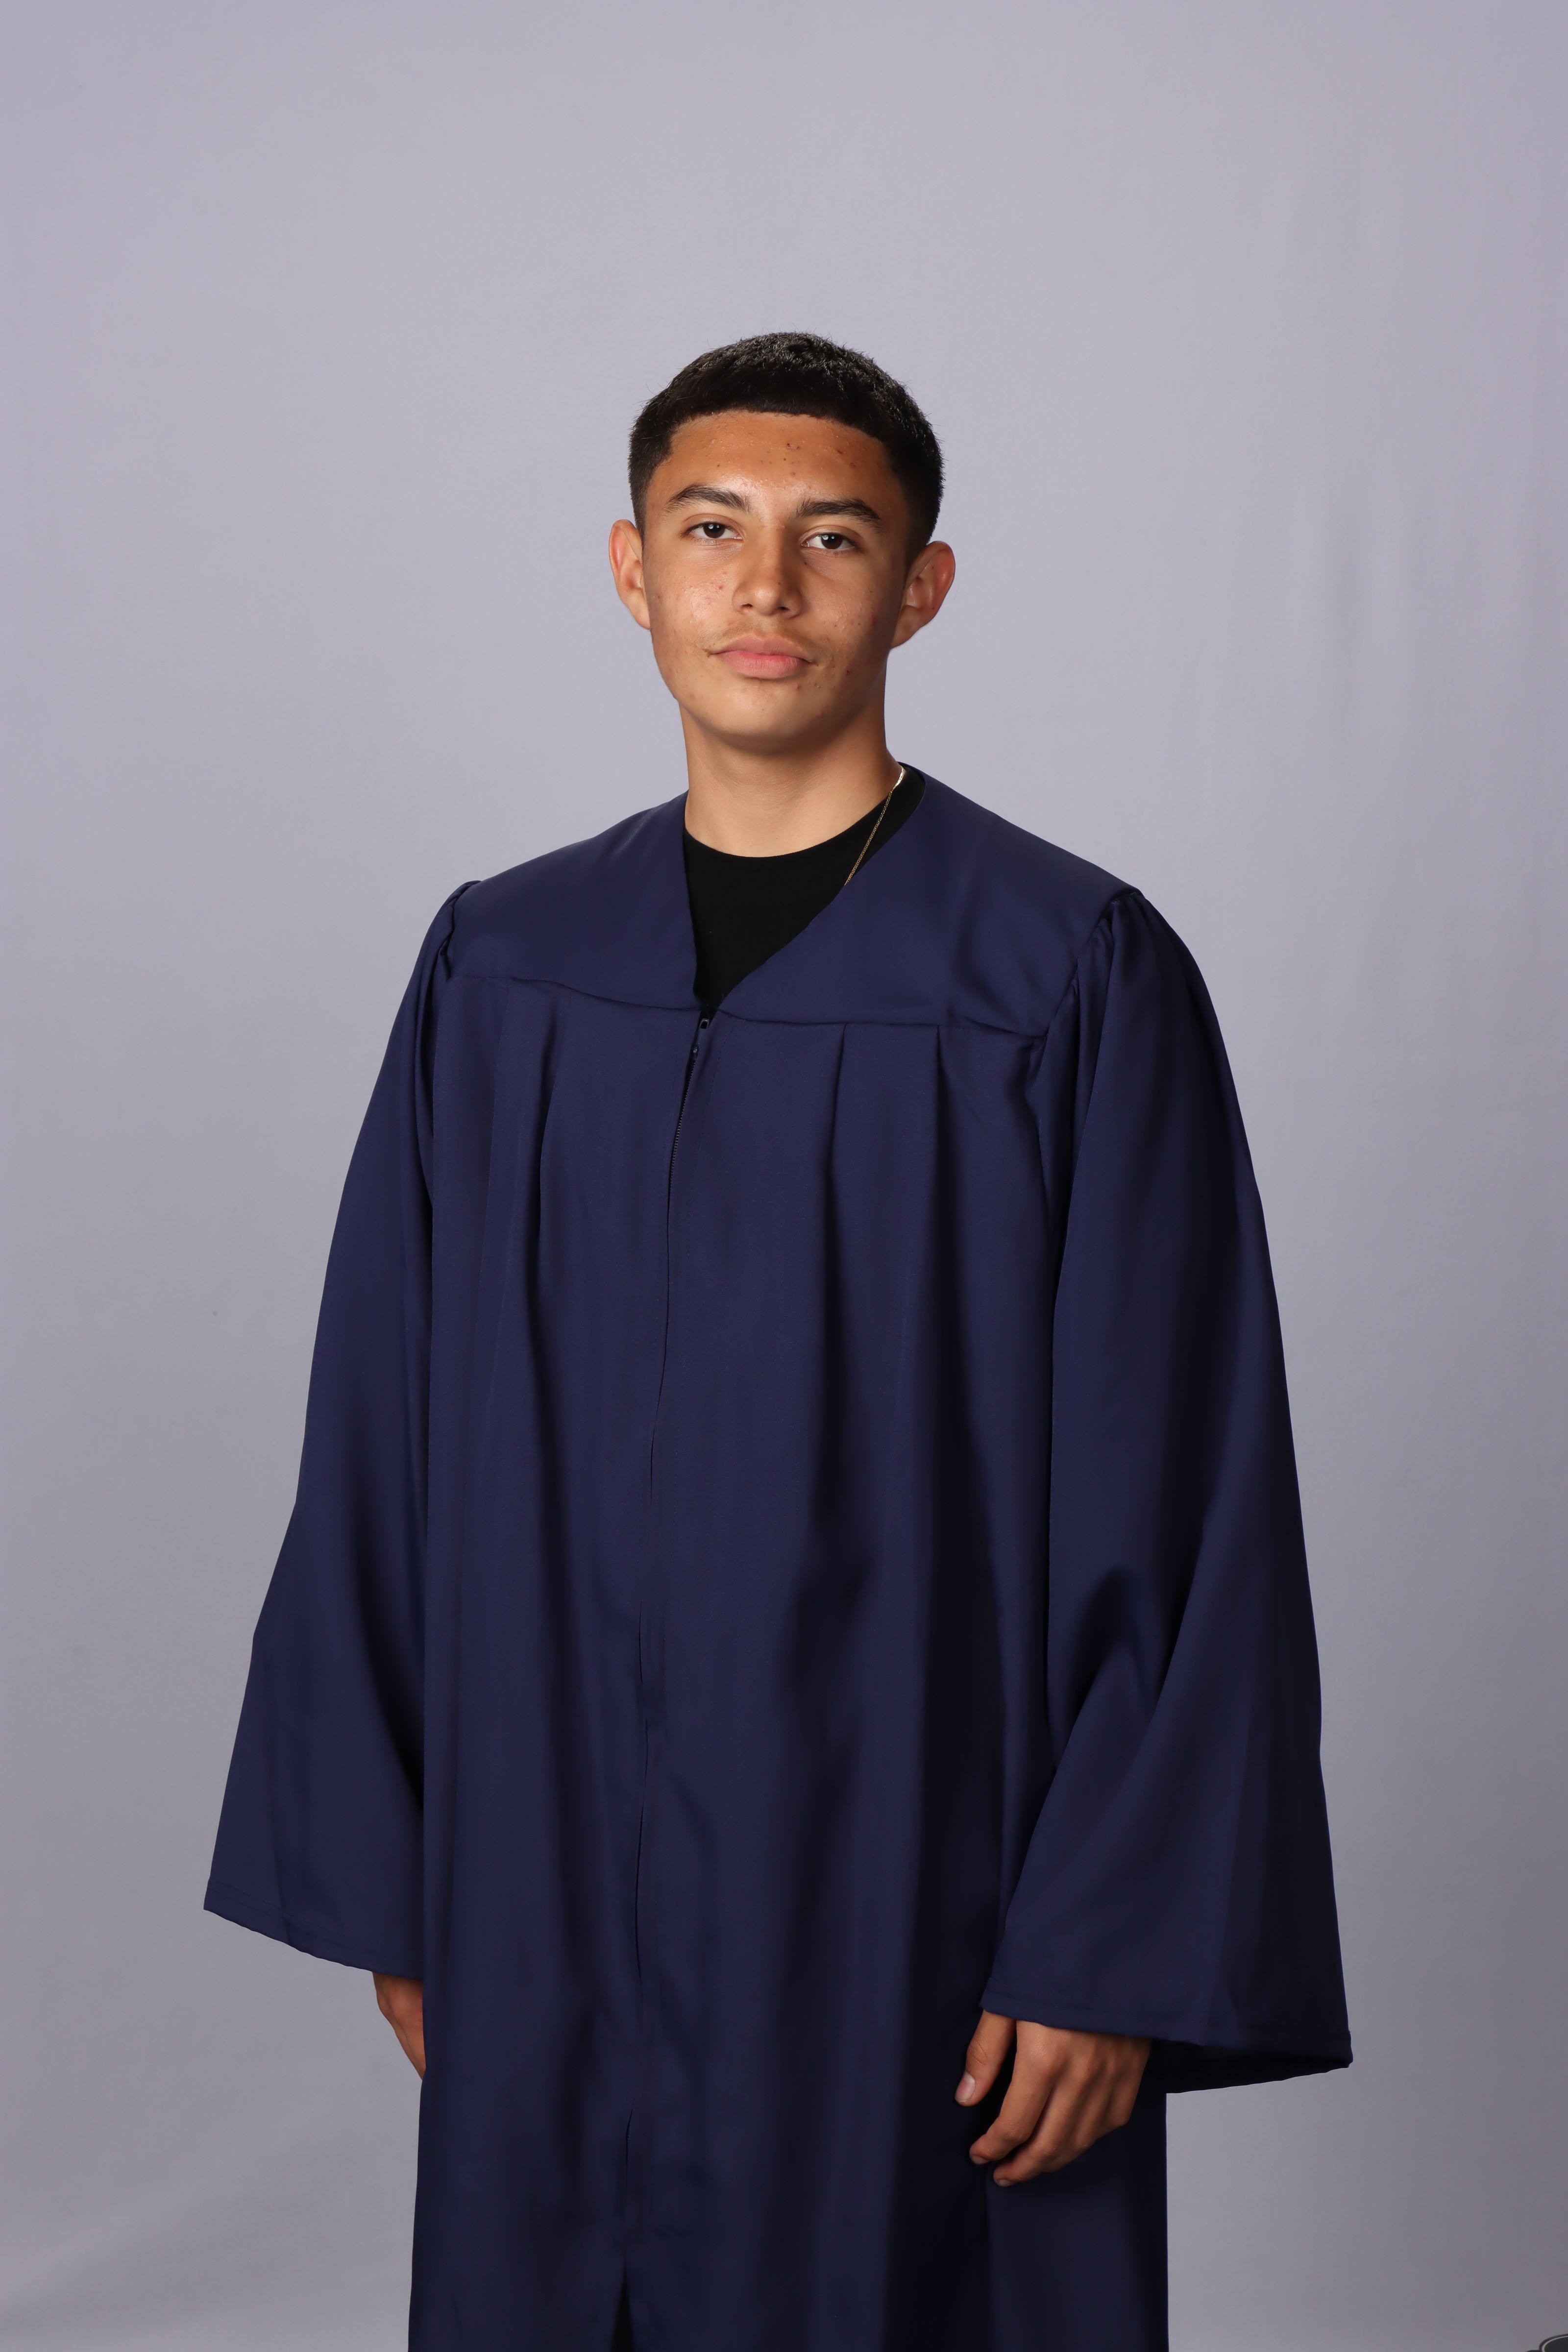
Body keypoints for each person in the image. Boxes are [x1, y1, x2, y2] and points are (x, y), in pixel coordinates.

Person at [206, 331, 1350, 2352]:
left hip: (918, 1879)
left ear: (918, 588)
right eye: (710, 529)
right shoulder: (505, 966)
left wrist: (1108, 1944)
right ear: (630, 570)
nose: (765, 587)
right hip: (544, 1870)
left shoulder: (1062, 974)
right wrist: (404, 1876)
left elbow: (1178, 1486)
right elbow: (381, 1434)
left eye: (833, 538)